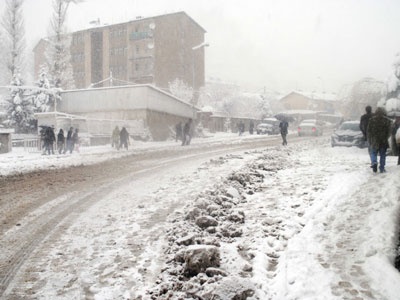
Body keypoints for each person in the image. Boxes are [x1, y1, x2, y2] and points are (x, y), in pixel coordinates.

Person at [367, 107, 392, 173]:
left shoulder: (371, 120)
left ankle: (374, 162)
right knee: (382, 154)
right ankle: (382, 168)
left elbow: (369, 131)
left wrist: (370, 139)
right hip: (383, 140)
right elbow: (389, 131)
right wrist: (386, 137)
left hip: (375, 140)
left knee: (373, 153)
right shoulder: (387, 121)